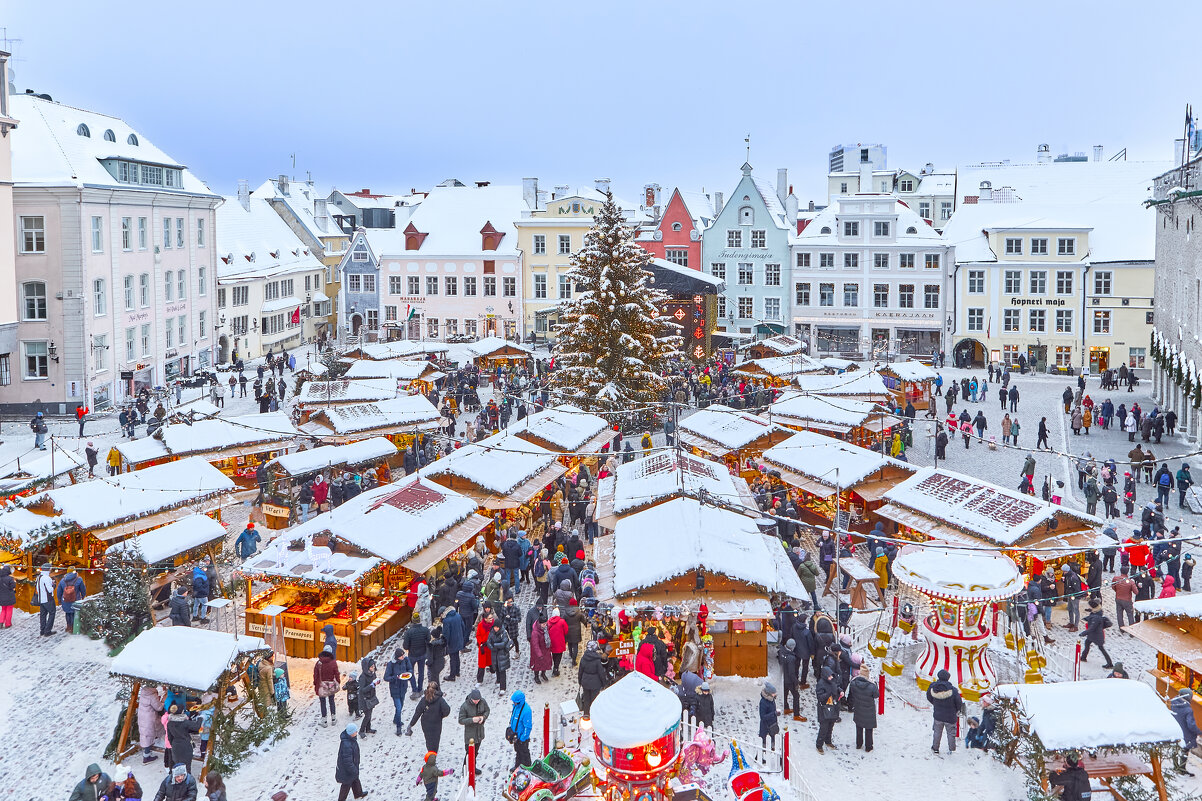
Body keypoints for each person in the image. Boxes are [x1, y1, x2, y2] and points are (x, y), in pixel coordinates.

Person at [926, 668, 963, 754]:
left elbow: (929, 697)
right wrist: (956, 710)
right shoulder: (953, 690)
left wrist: (935, 703)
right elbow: (958, 702)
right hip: (951, 716)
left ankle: (935, 748)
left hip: (938, 715)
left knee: (937, 732)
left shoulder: (932, 687)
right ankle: (951, 749)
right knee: (951, 733)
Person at [407, 681, 451, 753]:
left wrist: (411, 724)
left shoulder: (424, 699)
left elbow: (417, 713)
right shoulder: (440, 700)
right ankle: (433, 755)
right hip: (436, 723)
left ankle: (430, 753)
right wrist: (441, 716)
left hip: (425, 723)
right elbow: (447, 710)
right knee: (436, 740)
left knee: (429, 740)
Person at [847, 663, 879, 752]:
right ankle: (868, 746)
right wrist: (874, 683)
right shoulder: (872, 686)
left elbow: (852, 693)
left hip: (858, 708)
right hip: (869, 710)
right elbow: (876, 695)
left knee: (859, 727)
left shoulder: (853, 683)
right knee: (869, 729)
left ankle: (859, 744)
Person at [458, 688, 490, 772]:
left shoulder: (482, 702)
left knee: (475, 752)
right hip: (470, 735)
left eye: (478, 700)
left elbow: (487, 710)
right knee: (469, 753)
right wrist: (472, 720)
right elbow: (461, 720)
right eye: (474, 700)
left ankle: (473, 768)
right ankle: (465, 770)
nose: (476, 702)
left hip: (479, 733)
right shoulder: (464, 706)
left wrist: (483, 717)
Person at [1172, 687, 1202, 775]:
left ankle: (1175, 766)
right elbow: (1191, 725)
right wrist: (1199, 732)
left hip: (1175, 731)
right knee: (1184, 751)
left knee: (1175, 749)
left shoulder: (1173, 704)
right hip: (1186, 734)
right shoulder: (1187, 709)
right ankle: (1181, 769)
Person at [336, 722, 369, 801]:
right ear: (351, 733)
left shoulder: (350, 739)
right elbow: (347, 761)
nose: (356, 732)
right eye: (355, 731)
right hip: (347, 770)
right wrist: (353, 769)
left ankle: (358, 793)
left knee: (355, 779)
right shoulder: (347, 745)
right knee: (346, 785)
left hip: (352, 767)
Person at [384, 648, 413, 736]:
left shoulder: (406, 660)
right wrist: (396, 677)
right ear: (397, 657)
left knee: (401, 704)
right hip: (395, 688)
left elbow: (410, 669)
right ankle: (398, 727)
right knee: (399, 707)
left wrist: (408, 674)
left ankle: (396, 719)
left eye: (403, 655)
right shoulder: (391, 664)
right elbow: (386, 677)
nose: (403, 657)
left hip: (403, 687)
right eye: (401, 656)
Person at [1079, 599, 1114, 668]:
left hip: (1097, 635)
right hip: (1093, 634)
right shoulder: (1097, 612)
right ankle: (1083, 657)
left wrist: (1083, 633)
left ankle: (1110, 663)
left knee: (1101, 648)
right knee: (1087, 643)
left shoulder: (1096, 618)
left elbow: (1092, 628)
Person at [314, 645, 342, 726]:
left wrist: (316, 683)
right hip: (331, 685)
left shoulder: (319, 663)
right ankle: (333, 719)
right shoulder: (333, 662)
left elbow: (315, 675)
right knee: (331, 701)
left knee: (322, 702)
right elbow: (336, 673)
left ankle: (324, 720)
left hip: (321, 685)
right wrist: (338, 681)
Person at [815, 667, 840, 753]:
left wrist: (840, 691)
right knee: (823, 728)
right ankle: (819, 745)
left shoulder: (832, 681)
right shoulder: (820, 684)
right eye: (829, 676)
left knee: (830, 726)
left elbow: (836, 687)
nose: (831, 677)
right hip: (824, 709)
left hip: (832, 707)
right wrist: (829, 693)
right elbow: (820, 697)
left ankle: (828, 741)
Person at [578, 640, 605, 715]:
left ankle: (586, 715)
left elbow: (580, 671)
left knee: (586, 700)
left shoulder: (584, 658)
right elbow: (601, 673)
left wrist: (580, 681)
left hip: (585, 682)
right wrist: (604, 683)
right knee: (594, 700)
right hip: (595, 683)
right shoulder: (597, 660)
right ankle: (594, 715)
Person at [508, 690, 533, 771]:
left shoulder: (526, 710)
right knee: (518, 752)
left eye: (515, 702)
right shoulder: (516, 707)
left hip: (522, 738)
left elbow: (528, 727)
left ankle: (527, 768)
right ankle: (518, 766)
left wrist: (523, 738)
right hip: (516, 736)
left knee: (524, 753)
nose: (514, 703)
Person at [358, 657, 380, 735]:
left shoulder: (372, 674)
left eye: (373, 666)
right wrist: (372, 685)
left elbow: (373, 681)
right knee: (367, 715)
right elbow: (362, 690)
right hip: (364, 699)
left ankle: (368, 728)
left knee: (370, 714)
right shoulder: (363, 677)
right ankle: (361, 730)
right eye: (371, 667)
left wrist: (376, 682)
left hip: (371, 697)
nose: (373, 668)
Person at [758, 682, 780, 752]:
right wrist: (774, 714)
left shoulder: (771, 700)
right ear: (769, 693)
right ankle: (759, 758)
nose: (775, 695)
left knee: (774, 743)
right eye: (773, 693)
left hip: (772, 725)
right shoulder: (763, 702)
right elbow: (763, 717)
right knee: (764, 745)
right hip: (766, 727)